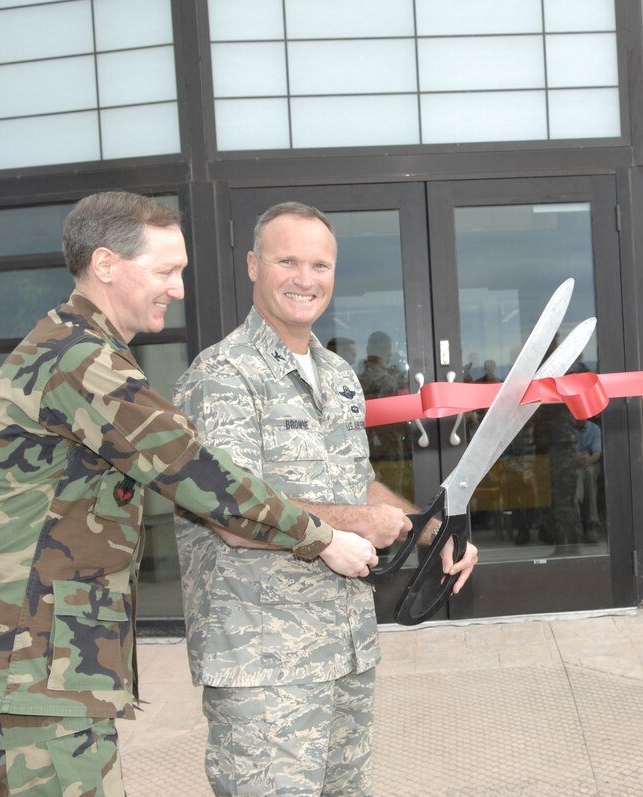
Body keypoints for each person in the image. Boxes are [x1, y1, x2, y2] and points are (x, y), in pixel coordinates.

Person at [0, 192, 380, 797]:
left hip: (44, 657)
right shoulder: (80, 362)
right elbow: (199, 474)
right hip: (31, 657)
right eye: (165, 271)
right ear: (106, 265)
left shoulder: (80, 349)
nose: (177, 289)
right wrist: (324, 537)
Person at [173, 201, 479, 796]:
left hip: (343, 646)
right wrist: (363, 520)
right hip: (264, 661)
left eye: (321, 264)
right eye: (288, 260)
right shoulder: (223, 375)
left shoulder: (337, 373)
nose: (306, 279)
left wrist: (428, 530)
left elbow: (356, 483)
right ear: (253, 266)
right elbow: (231, 513)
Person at [573, 418, 602, 543]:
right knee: (578, 473)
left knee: (589, 473)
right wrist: (575, 458)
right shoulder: (567, 429)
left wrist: (588, 460)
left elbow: (597, 452)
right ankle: (578, 519)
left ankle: (591, 524)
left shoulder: (594, 428)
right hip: (572, 465)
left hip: (591, 464)